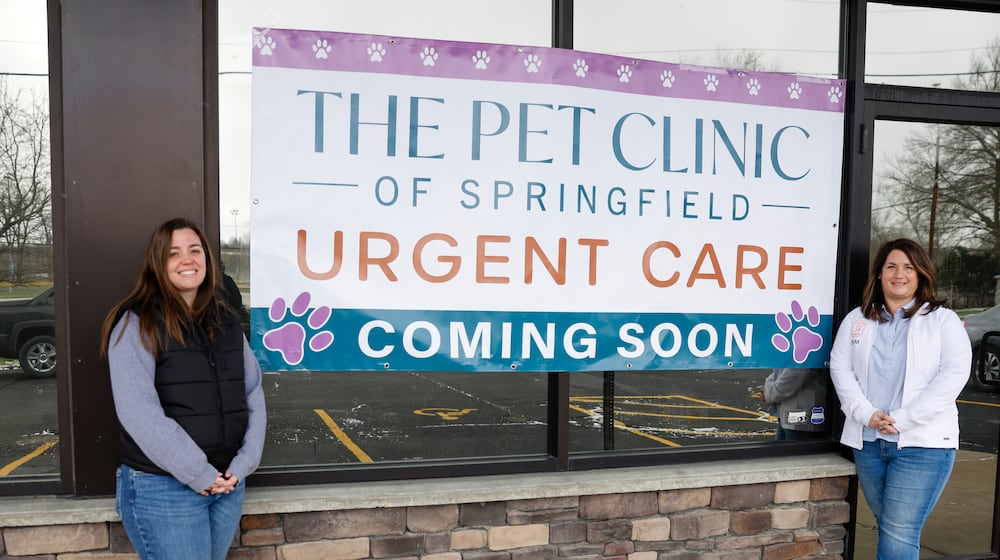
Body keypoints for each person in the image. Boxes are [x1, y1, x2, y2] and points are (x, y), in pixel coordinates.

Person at [100, 217, 266, 560]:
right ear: (158, 265)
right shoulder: (137, 323)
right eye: (173, 253)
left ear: (207, 257)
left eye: (194, 250)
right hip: (163, 488)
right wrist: (199, 473)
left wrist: (243, 465)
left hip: (227, 484)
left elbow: (253, 393)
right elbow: (139, 413)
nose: (187, 260)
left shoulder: (227, 322)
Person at [829, 238, 970, 559]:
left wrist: (904, 419)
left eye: (908, 267)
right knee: (892, 528)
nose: (899, 274)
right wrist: (865, 413)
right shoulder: (858, 319)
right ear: (879, 274)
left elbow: (953, 375)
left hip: (923, 446)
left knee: (899, 530)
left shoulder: (941, 320)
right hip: (869, 443)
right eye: (891, 266)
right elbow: (840, 367)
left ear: (921, 274)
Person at [762, 368, 826, 440]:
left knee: (794, 449)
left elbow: (797, 372)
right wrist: (769, 391)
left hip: (801, 419)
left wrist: (770, 393)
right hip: (787, 415)